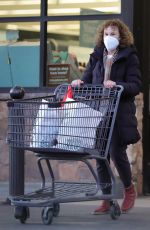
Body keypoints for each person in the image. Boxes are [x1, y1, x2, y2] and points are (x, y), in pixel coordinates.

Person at [71, 19, 142, 214]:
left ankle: (129, 190)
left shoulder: (129, 57)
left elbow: (135, 85)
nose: (109, 37)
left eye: (113, 34)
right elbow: (87, 79)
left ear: (122, 37)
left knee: (117, 154)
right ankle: (106, 198)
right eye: (106, 34)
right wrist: (79, 82)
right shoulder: (96, 55)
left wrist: (118, 84)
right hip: (98, 111)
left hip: (118, 113)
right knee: (100, 155)